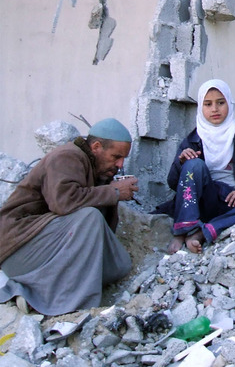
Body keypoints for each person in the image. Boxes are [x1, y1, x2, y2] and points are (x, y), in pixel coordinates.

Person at [0, 118, 137, 316]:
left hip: (44, 247)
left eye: (123, 158)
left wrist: (106, 184)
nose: (120, 164)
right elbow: (64, 202)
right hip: (18, 249)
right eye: (116, 157)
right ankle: (72, 306)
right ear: (96, 147)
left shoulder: (93, 166)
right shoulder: (67, 156)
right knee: (89, 217)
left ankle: (36, 290)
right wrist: (113, 192)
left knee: (119, 264)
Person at [166, 79, 235, 254]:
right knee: (193, 164)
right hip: (202, 201)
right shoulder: (193, 140)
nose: (215, 109)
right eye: (208, 104)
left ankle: (204, 231)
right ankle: (183, 230)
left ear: (230, 103)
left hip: (232, 201)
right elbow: (173, 182)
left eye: (220, 103)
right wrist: (182, 163)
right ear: (201, 108)